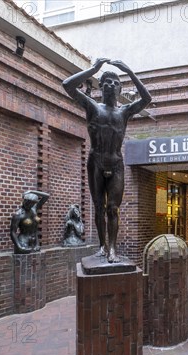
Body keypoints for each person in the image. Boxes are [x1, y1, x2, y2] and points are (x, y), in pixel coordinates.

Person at [62, 58, 151, 263]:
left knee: (113, 208)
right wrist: (93, 69)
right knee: (98, 205)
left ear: (120, 89)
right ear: (100, 87)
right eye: (107, 82)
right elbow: (67, 85)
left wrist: (129, 70)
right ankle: (102, 245)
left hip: (116, 163)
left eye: (115, 83)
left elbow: (146, 98)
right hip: (96, 162)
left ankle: (112, 249)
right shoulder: (93, 107)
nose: (111, 85)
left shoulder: (124, 112)